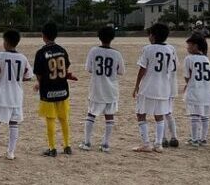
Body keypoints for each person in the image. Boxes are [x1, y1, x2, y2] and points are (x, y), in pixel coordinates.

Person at [0, 29, 32, 160]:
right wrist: (17, 78)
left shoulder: (0, 56)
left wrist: (1, 76)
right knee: (14, 123)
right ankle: (11, 152)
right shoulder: (22, 58)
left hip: (2, 95)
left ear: (5, 42)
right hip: (16, 95)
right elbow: (28, 76)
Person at [80, 25, 125, 153]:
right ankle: (105, 144)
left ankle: (87, 142)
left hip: (97, 88)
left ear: (99, 37)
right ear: (112, 38)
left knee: (91, 114)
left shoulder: (93, 51)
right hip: (111, 90)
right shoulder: (116, 53)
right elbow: (121, 71)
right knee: (109, 116)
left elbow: (89, 69)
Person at [132, 22, 174, 153]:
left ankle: (146, 144)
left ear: (153, 35)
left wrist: (136, 85)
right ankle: (158, 144)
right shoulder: (170, 50)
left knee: (141, 114)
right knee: (159, 115)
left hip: (148, 87)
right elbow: (170, 69)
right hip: (163, 87)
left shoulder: (148, 49)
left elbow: (142, 69)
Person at [33, 21, 72, 157]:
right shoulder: (62, 50)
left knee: (50, 119)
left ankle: (52, 148)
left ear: (43, 36)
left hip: (48, 91)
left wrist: (39, 83)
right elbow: (66, 67)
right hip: (62, 89)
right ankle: (67, 145)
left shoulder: (41, 53)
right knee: (64, 118)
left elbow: (39, 73)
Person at [183, 33, 210, 147]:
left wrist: (188, 84)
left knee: (194, 115)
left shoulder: (189, 58)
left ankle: (195, 139)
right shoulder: (206, 59)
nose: (187, 47)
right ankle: (203, 139)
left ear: (195, 46)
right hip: (207, 91)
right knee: (205, 116)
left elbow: (187, 76)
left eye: (189, 45)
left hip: (195, 90)